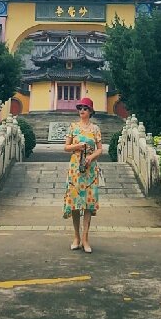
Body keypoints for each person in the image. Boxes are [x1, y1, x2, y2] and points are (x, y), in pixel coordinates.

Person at [63, 97, 103, 253]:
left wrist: (91, 157)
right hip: (75, 168)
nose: (82, 111)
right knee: (74, 203)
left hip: (90, 168)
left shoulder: (95, 129)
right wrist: (78, 145)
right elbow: (66, 147)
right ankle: (76, 237)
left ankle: (86, 239)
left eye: (85, 109)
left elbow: (100, 149)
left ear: (90, 112)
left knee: (87, 204)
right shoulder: (73, 127)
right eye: (80, 108)